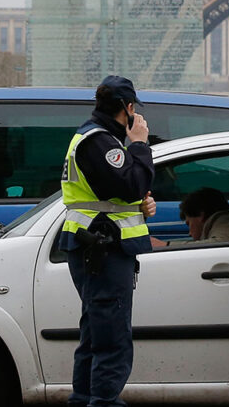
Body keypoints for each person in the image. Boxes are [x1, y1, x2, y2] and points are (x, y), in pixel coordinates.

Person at [60, 75, 155, 407]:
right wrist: (141, 144)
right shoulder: (100, 141)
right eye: (134, 110)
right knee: (111, 336)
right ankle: (103, 402)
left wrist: (142, 204)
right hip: (102, 249)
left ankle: (85, 397)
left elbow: (121, 192)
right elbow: (130, 184)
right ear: (127, 108)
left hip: (96, 245)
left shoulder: (100, 139)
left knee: (94, 333)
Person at [149, 186, 229, 247]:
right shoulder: (222, 222)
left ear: (200, 215)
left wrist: (166, 245)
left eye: (189, 224)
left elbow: (222, 244)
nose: (189, 233)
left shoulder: (226, 220)